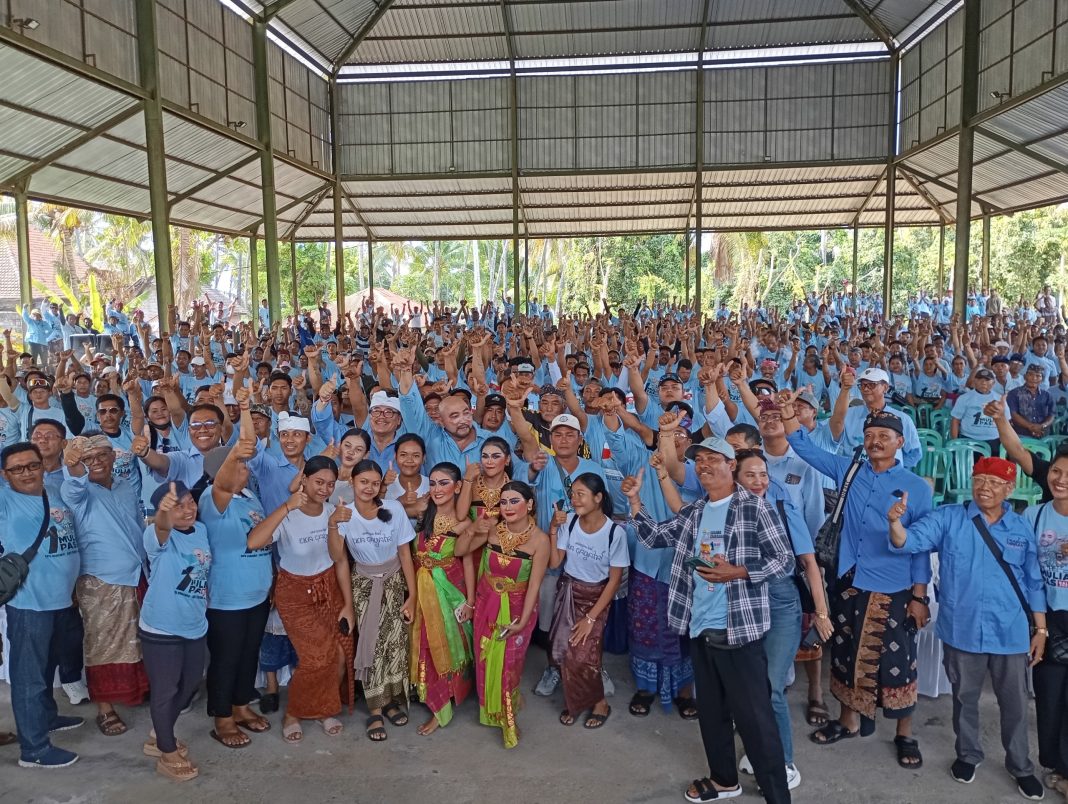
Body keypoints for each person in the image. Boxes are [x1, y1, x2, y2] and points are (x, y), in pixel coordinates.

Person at [627, 435, 795, 804]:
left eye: (712, 459)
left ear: (731, 464)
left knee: (755, 719)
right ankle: (724, 780)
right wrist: (635, 502)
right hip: (700, 626)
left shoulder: (754, 508)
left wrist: (738, 572)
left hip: (739, 630)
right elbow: (656, 537)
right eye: (699, 460)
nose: (703, 466)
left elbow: (784, 560)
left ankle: (777, 794)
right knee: (713, 711)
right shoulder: (695, 511)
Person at [783, 400, 933, 770]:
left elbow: (921, 547)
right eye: (869, 436)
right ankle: (849, 721)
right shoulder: (850, 471)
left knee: (898, 663)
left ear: (900, 442)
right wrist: (788, 414)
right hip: (850, 582)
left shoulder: (915, 487)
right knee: (847, 654)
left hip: (895, 588)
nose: (875, 441)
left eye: (884, 436)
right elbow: (803, 447)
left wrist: (919, 596)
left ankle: (904, 732)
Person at [888, 457, 1047, 800]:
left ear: (1009, 489)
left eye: (993, 482)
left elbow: (1034, 582)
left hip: (1011, 631)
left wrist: (1041, 630)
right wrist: (896, 526)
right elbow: (909, 541)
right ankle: (968, 754)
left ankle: (1020, 766)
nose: (984, 488)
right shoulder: (949, 518)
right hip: (962, 628)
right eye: (979, 480)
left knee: (1015, 704)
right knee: (964, 698)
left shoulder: (1020, 527)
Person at [730, 447, 833, 791]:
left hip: (780, 601)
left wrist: (820, 613)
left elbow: (809, 563)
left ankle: (784, 763)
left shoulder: (782, 506)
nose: (758, 481)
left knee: (772, 687)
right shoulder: (726, 510)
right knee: (748, 686)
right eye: (750, 475)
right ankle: (758, 750)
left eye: (763, 475)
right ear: (735, 478)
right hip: (742, 602)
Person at [247, 456, 356, 743]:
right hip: (295, 593)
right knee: (314, 658)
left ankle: (322, 708)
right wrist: (285, 507)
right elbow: (254, 542)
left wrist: (348, 604)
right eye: (318, 482)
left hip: (328, 588)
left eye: (330, 484)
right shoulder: (287, 514)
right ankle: (293, 712)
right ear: (304, 479)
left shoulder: (334, 511)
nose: (324, 489)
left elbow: (339, 559)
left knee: (339, 654)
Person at [62, 432, 149, 738]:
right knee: (103, 643)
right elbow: (72, 485)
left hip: (136, 575)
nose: (95, 462)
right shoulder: (79, 490)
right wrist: (72, 466)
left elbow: (138, 524)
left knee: (137, 640)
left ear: (114, 457)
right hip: (101, 580)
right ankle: (105, 708)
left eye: (101, 456)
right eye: (88, 459)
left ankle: (136, 691)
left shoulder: (125, 485)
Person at [2, 442, 84, 769]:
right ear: (4, 474)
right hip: (29, 605)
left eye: (32, 465)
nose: (27, 473)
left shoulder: (53, 489)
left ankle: (47, 717)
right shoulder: (5, 500)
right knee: (29, 677)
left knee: (48, 668)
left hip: (61, 600)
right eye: (17, 468)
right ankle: (33, 750)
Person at [198, 398, 273, 748]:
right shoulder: (214, 499)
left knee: (248, 653)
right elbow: (226, 479)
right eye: (240, 465)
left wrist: (244, 410)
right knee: (226, 659)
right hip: (228, 597)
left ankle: (241, 706)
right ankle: (223, 718)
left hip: (256, 594)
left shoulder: (249, 498)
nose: (247, 468)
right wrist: (234, 453)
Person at [458, 480, 549, 748]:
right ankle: (490, 711)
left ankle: (507, 717)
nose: (508, 507)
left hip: (518, 609)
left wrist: (522, 621)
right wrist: (475, 528)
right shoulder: (492, 531)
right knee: (485, 659)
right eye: (504, 502)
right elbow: (461, 551)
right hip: (487, 605)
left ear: (530, 504)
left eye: (514, 501)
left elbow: (535, 584)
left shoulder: (540, 541)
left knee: (509, 663)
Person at [331, 459, 417, 742]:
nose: (369, 487)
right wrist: (347, 603)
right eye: (363, 482)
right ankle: (375, 710)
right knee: (371, 646)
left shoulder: (393, 509)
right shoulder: (345, 514)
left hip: (393, 583)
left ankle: (392, 700)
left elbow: (405, 553)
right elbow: (339, 560)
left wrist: (412, 596)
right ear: (352, 483)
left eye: (374, 482)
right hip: (364, 586)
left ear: (381, 484)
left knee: (395, 644)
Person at [139, 481, 211, 782]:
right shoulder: (158, 537)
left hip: (195, 625)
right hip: (162, 627)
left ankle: (159, 731)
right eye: (177, 505)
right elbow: (163, 528)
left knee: (191, 682)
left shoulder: (202, 530)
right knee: (166, 690)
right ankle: (166, 751)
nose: (188, 509)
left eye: (190, 502)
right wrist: (164, 514)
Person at [548, 473, 628, 729]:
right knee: (563, 650)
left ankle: (599, 702)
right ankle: (574, 702)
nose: (574, 499)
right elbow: (555, 562)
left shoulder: (614, 533)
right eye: (573, 494)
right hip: (569, 591)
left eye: (580, 494)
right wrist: (552, 529)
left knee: (586, 654)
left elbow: (614, 581)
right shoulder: (569, 522)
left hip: (596, 597)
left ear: (598, 497)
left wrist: (591, 617)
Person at [409, 462, 475, 735]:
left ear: (458, 486)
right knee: (424, 643)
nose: (437, 489)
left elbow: (468, 562)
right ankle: (430, 696)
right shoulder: (424, 515)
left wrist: (470, 603)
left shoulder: (464, 523)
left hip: (449, 592)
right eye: (433, 483)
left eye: (444, 483)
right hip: (422, 592)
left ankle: (442, 707)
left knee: (447, 645)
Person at [1026, 452, 1068, 796]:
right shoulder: (1035, 515)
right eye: (1056, 471)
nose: (1060, 479)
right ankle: (1057, 765)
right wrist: (1039, 627)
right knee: (1049, 695)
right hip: (1048, 618)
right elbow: (1027, 572)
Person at [1008, 363, 1055, 438]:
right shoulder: (1014, 393)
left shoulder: (1047, 395)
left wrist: (1042, 426)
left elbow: (1052, 414)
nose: (1034, 378)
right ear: (1024, 376)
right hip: (1021, 434)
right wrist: (1031, 427)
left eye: (1038, 376)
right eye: (1030, 374)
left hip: (1043, 433)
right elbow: (1014, 414)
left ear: (1042, 379)